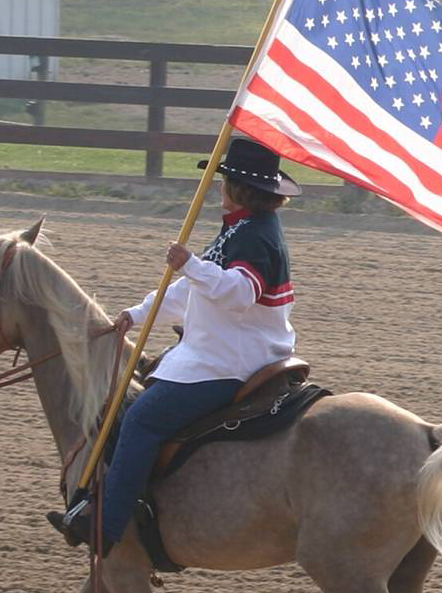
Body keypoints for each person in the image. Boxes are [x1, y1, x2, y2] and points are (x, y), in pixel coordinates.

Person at [50, 138, 300, 548]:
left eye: (223, 181)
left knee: (141, 419)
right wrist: (136, 315)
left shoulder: (255, 236)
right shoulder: (242, 229)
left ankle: (107, 527)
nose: (218, 188)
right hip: (225, 351)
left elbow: (240, 292)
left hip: (230, 360)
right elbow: (190, 293)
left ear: (237, 188)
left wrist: (192, 265)